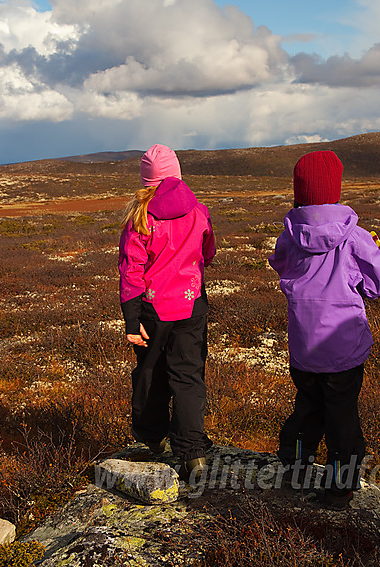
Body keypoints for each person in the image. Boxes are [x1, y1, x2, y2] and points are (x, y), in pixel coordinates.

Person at [268, 150, 380, 506]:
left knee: (308, 404)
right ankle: (341, 487)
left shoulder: (289, 236)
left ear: (299, 189)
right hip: (343, 350)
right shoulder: (356, 237)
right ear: (335, 188)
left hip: (303, 348)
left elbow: (280, 265)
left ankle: (294, 462)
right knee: (341, 418)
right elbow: (378, 286)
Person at [118, 143, 216, 479]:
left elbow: (131, 270)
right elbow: (209, 250)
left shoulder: (139, 218)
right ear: (177, 174)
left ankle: (153, 437)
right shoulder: (198, 211)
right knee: (188, 377)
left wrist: (131, 320)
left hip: (150, 311)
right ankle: (194, 456)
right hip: (192, 305)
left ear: (145, 181)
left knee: (150, 372)